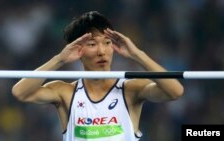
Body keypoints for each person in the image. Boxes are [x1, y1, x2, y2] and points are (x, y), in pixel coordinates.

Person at [12, 11, 184, 141]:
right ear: (78, 50)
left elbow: (175, 91)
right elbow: (21, 92)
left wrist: (137, 54)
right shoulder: (65, 92)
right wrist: (59, 59)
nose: (102, 51)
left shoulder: (130, 90)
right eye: (92, 44)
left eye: (107, 43)